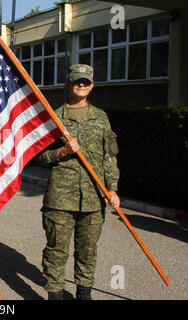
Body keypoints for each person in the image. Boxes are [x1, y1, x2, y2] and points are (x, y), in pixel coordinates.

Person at [37, 64, 120, 300]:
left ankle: (84, 294)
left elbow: (109, 157)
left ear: (92, 85)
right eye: (77, 81)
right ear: (68, 84)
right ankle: (55, 294)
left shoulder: (101, 117)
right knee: (56, 252)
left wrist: (112, 189)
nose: (81, 85)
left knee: (87, 251)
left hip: (94, 198)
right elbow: (40, 156)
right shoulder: (55, 118)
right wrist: (62, 151)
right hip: (60, 199)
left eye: (86, 81)